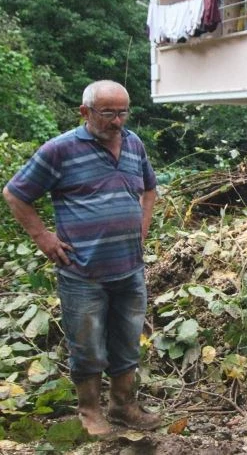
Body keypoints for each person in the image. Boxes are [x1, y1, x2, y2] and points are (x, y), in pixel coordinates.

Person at [3, 80, 161, 436]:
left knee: (127, 338)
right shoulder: (60, 150)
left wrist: (143, 225)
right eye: (108, 113)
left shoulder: (134, 143)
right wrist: (42, 236)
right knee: (87, 344)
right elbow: (15, 193)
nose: (117, 121)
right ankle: (90, 411)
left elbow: (150, 187)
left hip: (129, 268)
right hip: (82, 272)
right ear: (85, 111)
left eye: (122, 112)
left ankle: (123, 405)